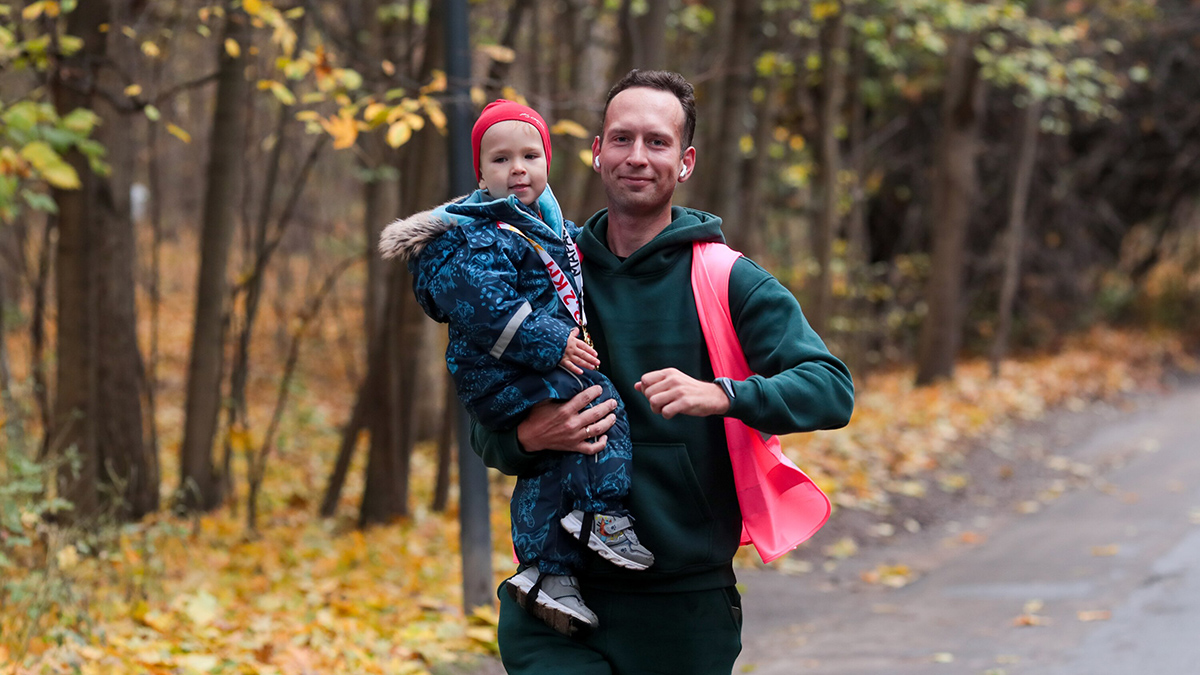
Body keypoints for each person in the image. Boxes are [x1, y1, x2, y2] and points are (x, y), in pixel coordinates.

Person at [471, 70, 855, 673]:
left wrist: (722, 395)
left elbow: (831, 388)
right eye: (621, 139)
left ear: (685, 162)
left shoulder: (728, 278)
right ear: (597, 152)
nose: (637, 156)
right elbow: (485, 417)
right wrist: (527, 436)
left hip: (683, 606)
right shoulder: (540, 268)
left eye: (657, 142)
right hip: (554, 596)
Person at [379, 100, 654, 637]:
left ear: (548, 162)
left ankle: (547, 572)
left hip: (528, 364)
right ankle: (600, 512)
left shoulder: (547, 227)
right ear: (481, 174)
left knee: (553, 459)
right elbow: (482, 303)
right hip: (502, 369)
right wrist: (552, 340)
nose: (518, 169)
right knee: (601, 405)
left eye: (530, 156)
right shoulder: (474, 234)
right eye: (501, 159)